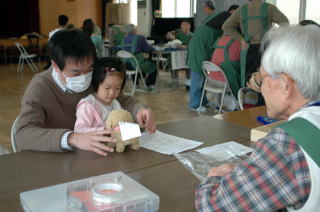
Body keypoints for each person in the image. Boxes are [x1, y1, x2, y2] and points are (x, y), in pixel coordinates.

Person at [196, 25, 320, 211]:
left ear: (285, 85)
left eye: (262, 80)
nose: (261, 88)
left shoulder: (287, 145)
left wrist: (214, 176)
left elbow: (212, 207)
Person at [16, 29, 156, 156]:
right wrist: (72, 138)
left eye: (89, 70)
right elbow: (23, 134)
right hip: (56, 157)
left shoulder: (95, 74)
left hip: (97, 155)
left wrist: (140, 109)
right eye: (75, 73)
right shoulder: (41, 86)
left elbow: (119, 99)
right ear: (55, 66)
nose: (84, 77)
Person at [222, 0, 288, 85]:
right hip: (265, 48)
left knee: (248, 78)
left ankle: (246, 96)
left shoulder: (242, 10)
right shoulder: (269, 8)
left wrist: (241, 39)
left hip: (247, 48)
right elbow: (285, 23)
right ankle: (262, 97)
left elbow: (226, 26)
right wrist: (273, 37)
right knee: (263, 79)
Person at [187, 1, 232, 112]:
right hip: (198, 51)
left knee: (202, 79)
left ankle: (203, 101)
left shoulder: (213, 19)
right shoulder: (225, 17)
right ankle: (194, 105)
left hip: (199, 49)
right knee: (197, 80)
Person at [74, 57, 126, 133]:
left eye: (117, 88)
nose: (112, 92)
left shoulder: (115, 103)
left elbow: (123, 119)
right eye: (107, 88)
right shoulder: (88, 105)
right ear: (96, 84)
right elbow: (79, 130)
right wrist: (103, 130)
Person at [122, 24, 157, 89]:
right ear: (134, 30)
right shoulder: (140, 37)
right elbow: (148, 49)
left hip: (125, 65)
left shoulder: (124, 39)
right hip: (137, 64)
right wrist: (154, 49)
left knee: (133, 61)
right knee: (154, 65)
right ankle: (148, 85)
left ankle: (136, 84)